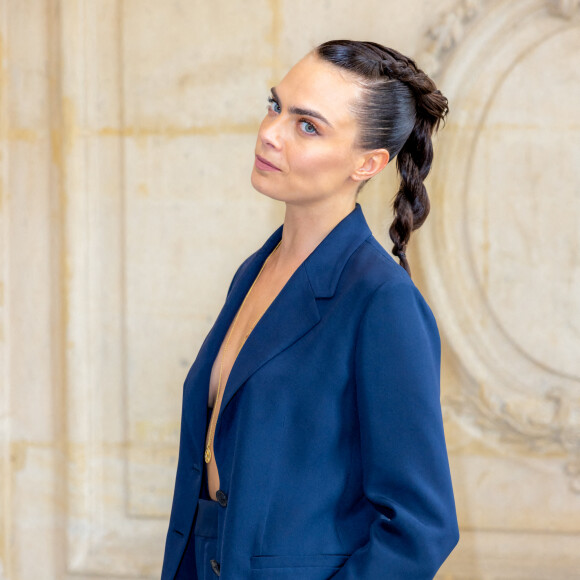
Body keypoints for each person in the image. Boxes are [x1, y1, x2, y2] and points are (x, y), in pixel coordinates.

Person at [161, 39, 459, 580]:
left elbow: (422, 526)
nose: (270, 133)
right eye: (276, 105)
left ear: (368, 163)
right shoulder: (255, 271)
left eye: (308, 126)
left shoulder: (381, 302)